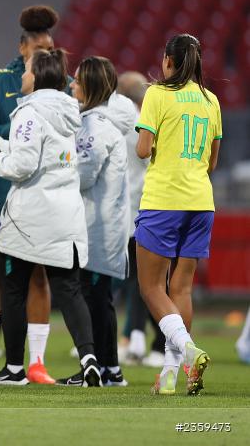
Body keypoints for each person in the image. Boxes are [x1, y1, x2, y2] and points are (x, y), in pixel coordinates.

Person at [0, 49, 101, 387]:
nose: (23, 75)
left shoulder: (29, 113)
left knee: (14, 287)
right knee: (70, 289)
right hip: (67, 213)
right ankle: (90, 360)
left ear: (38, 75)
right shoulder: (70, 112)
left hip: (31, 217)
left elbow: (22, 165)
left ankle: (15, 368)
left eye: (28, 70)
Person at [0, 5, 58, 385]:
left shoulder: (60, 80)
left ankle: (36, 361)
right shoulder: (1, 80)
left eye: (49, 49)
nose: (46, 55)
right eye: (39, 49)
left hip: (43, 193)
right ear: (23, 48)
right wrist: (26, 118)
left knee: (39, 275)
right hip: (3, 191)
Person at [134, 34, 221, 396]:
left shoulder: (157, 93)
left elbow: (142, 150)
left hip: (163, 199)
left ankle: (188, 352)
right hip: (201, 201)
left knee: (151, 287)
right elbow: (212, 161)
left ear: (168, 61)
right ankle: (170, 375)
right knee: (180, 287)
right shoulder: (210, 100)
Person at [70, 56, 134, 387]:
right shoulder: (103, 123)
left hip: (98, 224)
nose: (72, 84)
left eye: (78, 80)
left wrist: (57, 165)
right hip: (105, 222)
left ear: (91, 86)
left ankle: (97, 367)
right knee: (99, 297)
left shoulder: (95, 126)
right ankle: (110, 368)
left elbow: (83, 174)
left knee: (92, 296)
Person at [117, 71, 164, 366]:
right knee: (156, 279)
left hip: (130, 211)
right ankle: (156, 344)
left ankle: (139, 339)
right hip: (152, 207)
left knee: (141, 279)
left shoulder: (116, 124)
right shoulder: (145, 124)